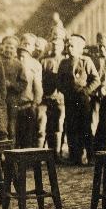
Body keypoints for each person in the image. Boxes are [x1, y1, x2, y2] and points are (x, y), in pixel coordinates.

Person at [57, 33, 100, 165]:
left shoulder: (85, 61)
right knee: (71, 127)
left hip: (82, 99)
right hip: (69, 99)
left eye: (73, 46)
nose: (70, 48)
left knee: (85, 127)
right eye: (68, 45)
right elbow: (59, 81)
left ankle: (90, 156)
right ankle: (74, 157)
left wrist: (86, 91)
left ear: (80, 48)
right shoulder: (64, 63)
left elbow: (96, 79)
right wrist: (65, 91)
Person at [40, 23, 67, 152]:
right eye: (53, 43)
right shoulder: (44, 61)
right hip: (47, 98)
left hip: (62, 98)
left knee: (60, 125)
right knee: (49, 125)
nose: (56, 45)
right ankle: (52, 153)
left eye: (59, 42)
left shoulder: (66, 60)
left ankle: (59, 150)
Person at [89, 32, 106, 152]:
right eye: (99, 46)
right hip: (95, 94)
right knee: (93, 122)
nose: (101, 48)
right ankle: (93, 150)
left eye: (104, 46)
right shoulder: (93, 61)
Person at [15, 33, 44, 148]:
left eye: (29, 44)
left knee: (28, 135)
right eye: (24, 43)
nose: (26, 46)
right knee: (16, 135)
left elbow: (38, 88)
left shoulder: (35, 64)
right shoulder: (13, 62)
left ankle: (28, 162)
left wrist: (35, 103)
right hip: (14, 105)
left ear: (33, 48)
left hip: (28, 105)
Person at [0, 35, 27, 144]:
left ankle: (11, 151)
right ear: (3, 47)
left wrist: (11, 84)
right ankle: (0, 153)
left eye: (11, 48)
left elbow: (23, 83)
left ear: (15, 50)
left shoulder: (18, 65)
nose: (8, 50)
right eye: (7, 47)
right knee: (0, 126)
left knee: (11, 127)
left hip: (12, 100)